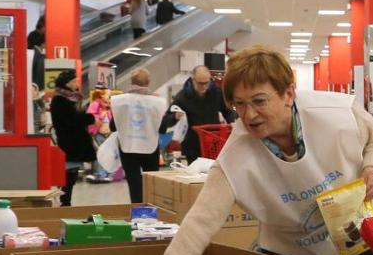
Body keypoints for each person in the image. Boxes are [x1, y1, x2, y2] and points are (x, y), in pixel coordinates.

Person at [153, 45, 373, 255]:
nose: (249, 115)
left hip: (358, 224)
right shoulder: (235, 156)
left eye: (259, 101)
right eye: (240, 104)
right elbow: (200, 220)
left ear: (288, 94)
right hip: (292, 244)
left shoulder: (337, 113)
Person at [110, 69, 168, 203]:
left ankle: (137, 214)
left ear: (131, 82)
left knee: (134, 185)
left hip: (127, 148)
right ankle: (151, 213)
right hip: (150, 148)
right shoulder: (157, 102)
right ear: (148, 82)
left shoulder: (120, 101)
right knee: (152, 184)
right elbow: (163, 128)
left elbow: (113, 127)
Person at [162, 66, 237, 164]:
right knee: (195, 176)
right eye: (200, 83)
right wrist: (175, 116)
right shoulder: (182, 97)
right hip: (192, 145)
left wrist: (233, 123)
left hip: (213, 142)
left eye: (206, 83)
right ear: (193, 80)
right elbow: (167, 121)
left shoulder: (217, 93)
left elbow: (227, 111)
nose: (204, 86)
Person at [48, 70, 96, 206]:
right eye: (74, 81)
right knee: (68, 176)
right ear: (67, 84)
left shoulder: (69, 99)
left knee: (72, 174)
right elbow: (72, 120)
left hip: (74, 144)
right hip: (69, 144)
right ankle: (65, 203)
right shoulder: (59, 100)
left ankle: (66, 201)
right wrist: (90, 118)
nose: (77, 83)